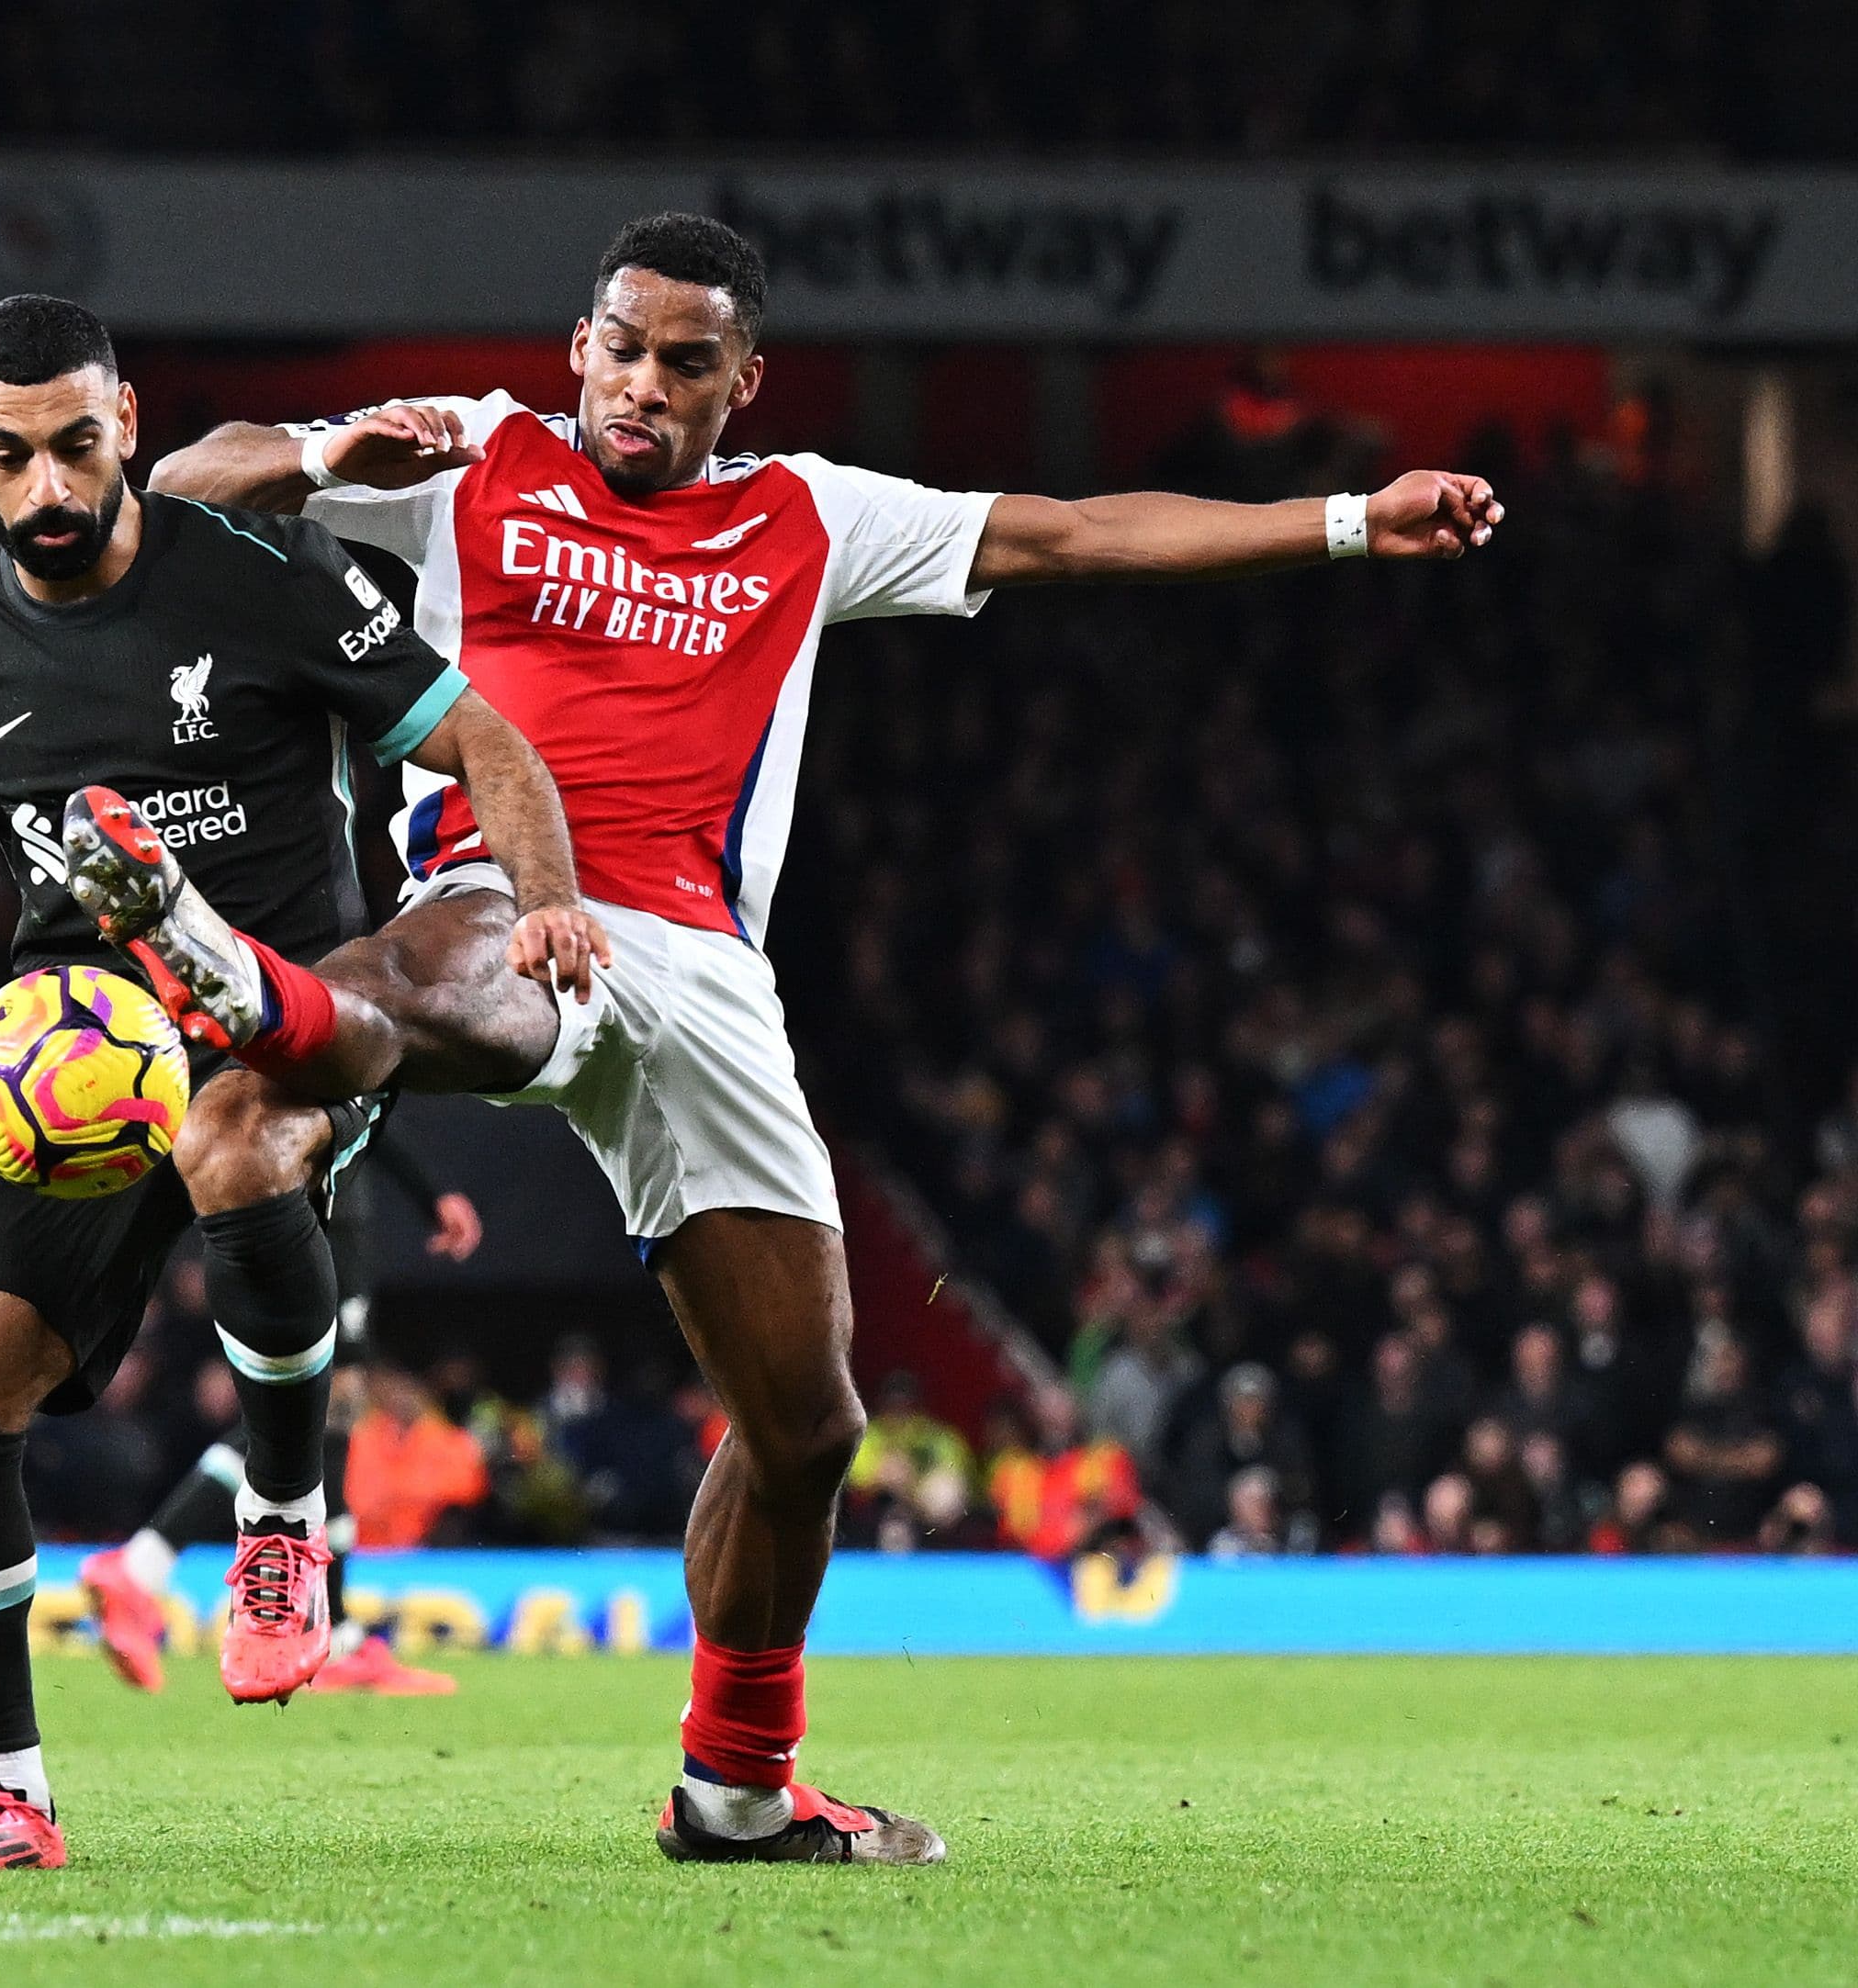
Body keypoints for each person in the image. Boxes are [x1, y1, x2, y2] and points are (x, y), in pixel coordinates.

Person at [129, 210, 1500, 1866]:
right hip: (502, 891)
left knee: (807, 1427)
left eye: (684, 363)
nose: (642, 385)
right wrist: (319, 450)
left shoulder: (808, 515)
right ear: (578, 348)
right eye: (619, 349)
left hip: (702, 972)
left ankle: (735, 1789)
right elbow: (177, 497)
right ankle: (255, 1005)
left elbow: (1071, 535)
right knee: (366, 1042)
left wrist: (1348, 519)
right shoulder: (469, 457)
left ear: (741, 381)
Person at [0, 296, 588, 1873]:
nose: (50, 488)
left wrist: (548, 897)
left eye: (78, 445)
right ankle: (3, 1799)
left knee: (234, 1137)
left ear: (124, 417)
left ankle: (279, 1531)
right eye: (9, 456)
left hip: (298, 1002)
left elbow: (492, 751)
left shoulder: (260, 579)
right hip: (79, 1037)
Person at [81, 1134, 477, 1697]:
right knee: (316, 1409)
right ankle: (144, 1563)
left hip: (281, 1198)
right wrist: (429, 1191)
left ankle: (334, 1632)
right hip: (319, 1208)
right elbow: (365, 1077)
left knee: (330, 1423)